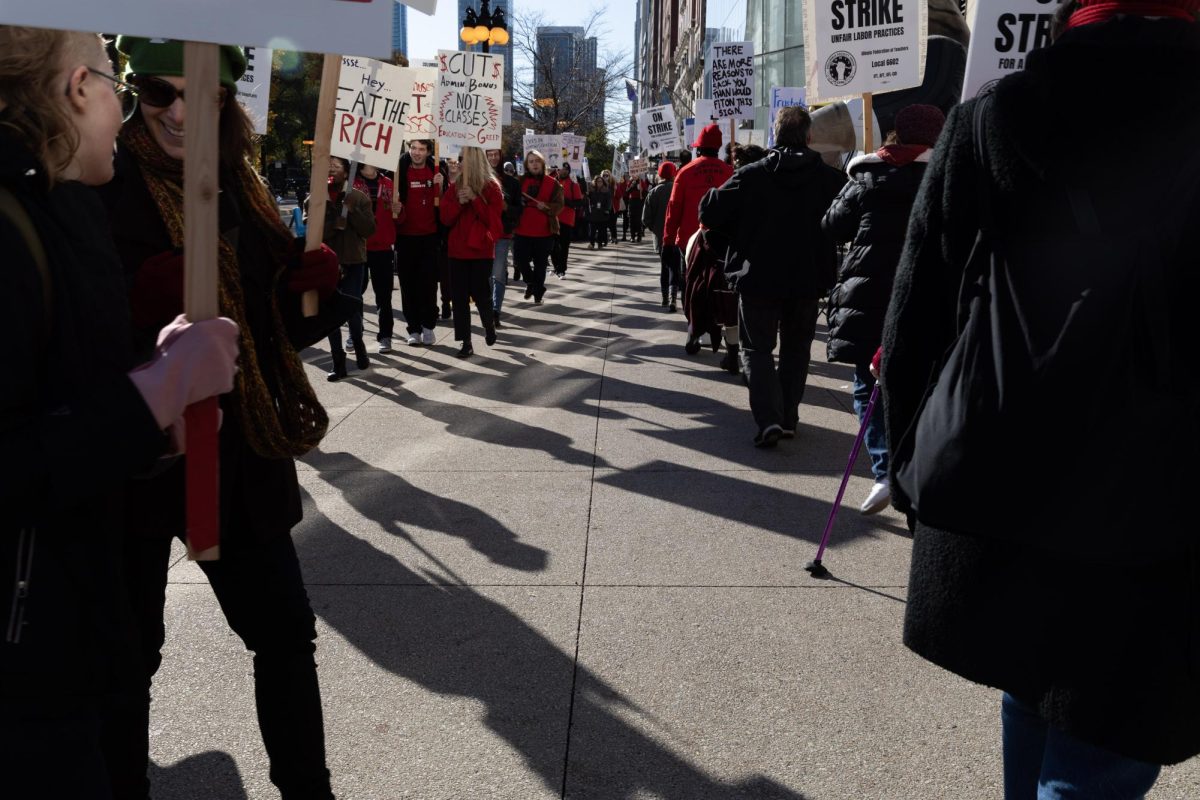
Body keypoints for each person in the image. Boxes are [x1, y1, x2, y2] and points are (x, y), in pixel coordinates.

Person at [881, 3, 1200, 797]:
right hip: (1163, 507)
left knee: (1030, 686)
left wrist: (916, 467)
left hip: (1003, 477)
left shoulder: (988, 119)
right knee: (1104, 750)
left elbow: (916, 312)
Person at [0, 27, 241, 797]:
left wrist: (149, 411)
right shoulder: (12, 230)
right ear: (78, 89)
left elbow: (58, 403)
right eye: (120, 83)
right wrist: (155, 391)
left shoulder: (49, 209)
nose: (129, 104)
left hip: (59, 636)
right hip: (23, 667)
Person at [101, 37, 340, 799]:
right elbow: (63, 332)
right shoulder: (98, 179)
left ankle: (308, 790)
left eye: (195, 95)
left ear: (225, 100)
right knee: (127, 656)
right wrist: (133, 310)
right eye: (156, 93)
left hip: (240, 448)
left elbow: (279, 336)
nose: (174, 113)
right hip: (135, 462)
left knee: (284, 635)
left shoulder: (245, 186)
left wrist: (313, 293)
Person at [822, 104, 945, 514]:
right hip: (927, 296)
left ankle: (884, 470)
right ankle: (916, 471)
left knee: (867, 388)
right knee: (925, 386)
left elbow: (832, 225)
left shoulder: (867, 175)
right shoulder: (947, 176)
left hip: (869, 297)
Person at [698, 106, 846, 447]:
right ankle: (787, 417)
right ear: (809, 137)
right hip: (807, 279)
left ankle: (770, 419)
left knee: (757, 349)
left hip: (758, 278)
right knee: (796, 350)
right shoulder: (829, 179)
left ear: (774, 137)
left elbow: (709, 210)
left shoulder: (751, 175)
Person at [664, 124, 734, 351]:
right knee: (721, 288)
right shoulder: (730, 172)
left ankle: (694, 327)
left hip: (689, 242)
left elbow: (673, 210)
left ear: (698, 148)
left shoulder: (684, 173)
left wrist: (666, 241)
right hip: (722, 242)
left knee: (691, 286)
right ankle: (718, 329)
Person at [440, 146, 502, 358]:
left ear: (474, 161)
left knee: (481, 294)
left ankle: (489, 326)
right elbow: (445, 218)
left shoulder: (492, 187)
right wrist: (459, 202)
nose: (459, 163)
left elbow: (494, 223)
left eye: (463, 159)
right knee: (459, 299)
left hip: (480, 251)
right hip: (457, 251)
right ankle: (465, 341)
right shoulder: (455, 186)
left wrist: (475, 199)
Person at [319, 156, 376, 380]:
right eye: (328, 164)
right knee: (332, 315)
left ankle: (359, 346)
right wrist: (334, 219)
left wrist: (352, 211)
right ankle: (338, 362)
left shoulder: (359, 197)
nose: (331, 169)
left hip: (353, 262)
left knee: (352, 309)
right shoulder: (316, 199)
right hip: (328, 265)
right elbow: (315, 233)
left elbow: (369, 230)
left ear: (346, 171)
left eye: (336, 165)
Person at [394, 140, 445, 346]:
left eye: (421, 149)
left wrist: (441, 187)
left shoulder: (436, 169)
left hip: (430, 237)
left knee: (428, 285)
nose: (416, 153)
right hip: (405, 237)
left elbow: (442, 204)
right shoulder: (399, 169)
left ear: (428, 151)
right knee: (408, 285)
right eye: (413, 148)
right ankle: (413, 329)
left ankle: (428, 326)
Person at [353, 162, 397, 353]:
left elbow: (398, 218)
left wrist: (399, 210)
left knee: (384, 295)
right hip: (358, 247)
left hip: (383, 247)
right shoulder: (351, 183)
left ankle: (385, 336)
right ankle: (355, 334)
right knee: (355, 293)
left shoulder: (389, 183)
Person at [512, 150, 563, 305]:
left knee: (540, 264)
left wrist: (546, 206)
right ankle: (533, 284)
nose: (534, 164)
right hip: (522, 229)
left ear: (542, 163)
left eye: (537, 161)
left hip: (544, 231)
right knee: (520, 261)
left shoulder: (553, 183)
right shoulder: (519, 181)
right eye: (531, 161)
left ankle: (537, 293)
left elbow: (560, 205)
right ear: (527, 164)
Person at [487, 148, 522, 328]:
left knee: (498, 273)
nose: (493, 157)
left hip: (502, 234)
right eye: (489, 154)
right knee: (486, 275)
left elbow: (519, 211)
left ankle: (495, 311)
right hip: (482, 234)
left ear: (501, 156)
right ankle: (487, 307)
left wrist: (506, 207)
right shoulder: (478, 180)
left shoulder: (512, 184)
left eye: (496, 154)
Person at [642, 161, 679, 308]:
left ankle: (664, 297)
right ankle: (673, 298)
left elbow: (645, 219)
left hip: (660, 237)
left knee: (664, 267)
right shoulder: (678, 189)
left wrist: (656, 230)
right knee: (675, 268)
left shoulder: (654, 192)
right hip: (676, 236)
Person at [552, 163, 582, 278]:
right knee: (552, 245)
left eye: (565, 169)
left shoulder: (574, 184)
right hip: (553, 218)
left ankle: (561, 269)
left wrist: (566, 201)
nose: (563, 171)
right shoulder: (551, 182)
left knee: (564, 245)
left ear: (569, 171)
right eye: (561, 168)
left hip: (566, 219)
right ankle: (556, 266)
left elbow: (579, 203)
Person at [587, 176, 612, 249]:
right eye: (598, 181)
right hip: (594, 213)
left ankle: (600, 243)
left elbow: (609, 201)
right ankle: (592, 243)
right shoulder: (592, 190)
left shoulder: (606, 191)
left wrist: (607, 209)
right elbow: (589, 200)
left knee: (602, 230)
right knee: (592, 230)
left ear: (603, 182)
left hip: (602, 213)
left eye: (600, 181)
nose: (599, 183)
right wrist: (587, 194)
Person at [625, 173, 648, 242]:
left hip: (639, 202)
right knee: (631, 219)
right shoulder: (631, 182)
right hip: (632, 202)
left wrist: (642, 190)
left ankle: (639, 236)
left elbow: (646, 193)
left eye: (636, 175)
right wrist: (632, 186)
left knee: (638, 220)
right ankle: (632, 236)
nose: (634, 176)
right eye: (633, 175)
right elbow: (627, 192)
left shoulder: (641, 182)